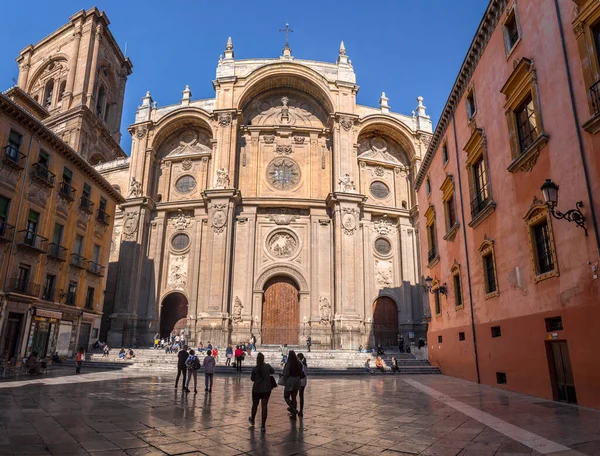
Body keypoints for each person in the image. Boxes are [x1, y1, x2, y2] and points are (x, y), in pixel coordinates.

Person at [248, 352, 274, 432]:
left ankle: (252, 419)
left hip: (256, 389)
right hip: (266, 389)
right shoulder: (267, 366)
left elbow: (252, 379)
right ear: (263, 359)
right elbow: (273, 371)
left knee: (255, 405)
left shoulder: (255, 368)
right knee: (264, 406)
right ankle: (263, 425)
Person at [281, 350, 303, 420]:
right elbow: (301, 372)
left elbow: (285, 373)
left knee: (286, 396)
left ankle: (293, 409)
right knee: (294, 397)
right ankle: (293, 415)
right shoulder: (298, 363)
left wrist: (283, 380)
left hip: (290, 381)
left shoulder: (288, 364)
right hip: (297, 381)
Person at [297, 353, 308, 417]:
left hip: (299, 381)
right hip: (304, 382)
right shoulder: (305, 364)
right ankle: (301, 410)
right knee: (301, 396)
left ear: (298, 357)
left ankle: (295, 410)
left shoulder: (299, 363)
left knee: (294, 395)